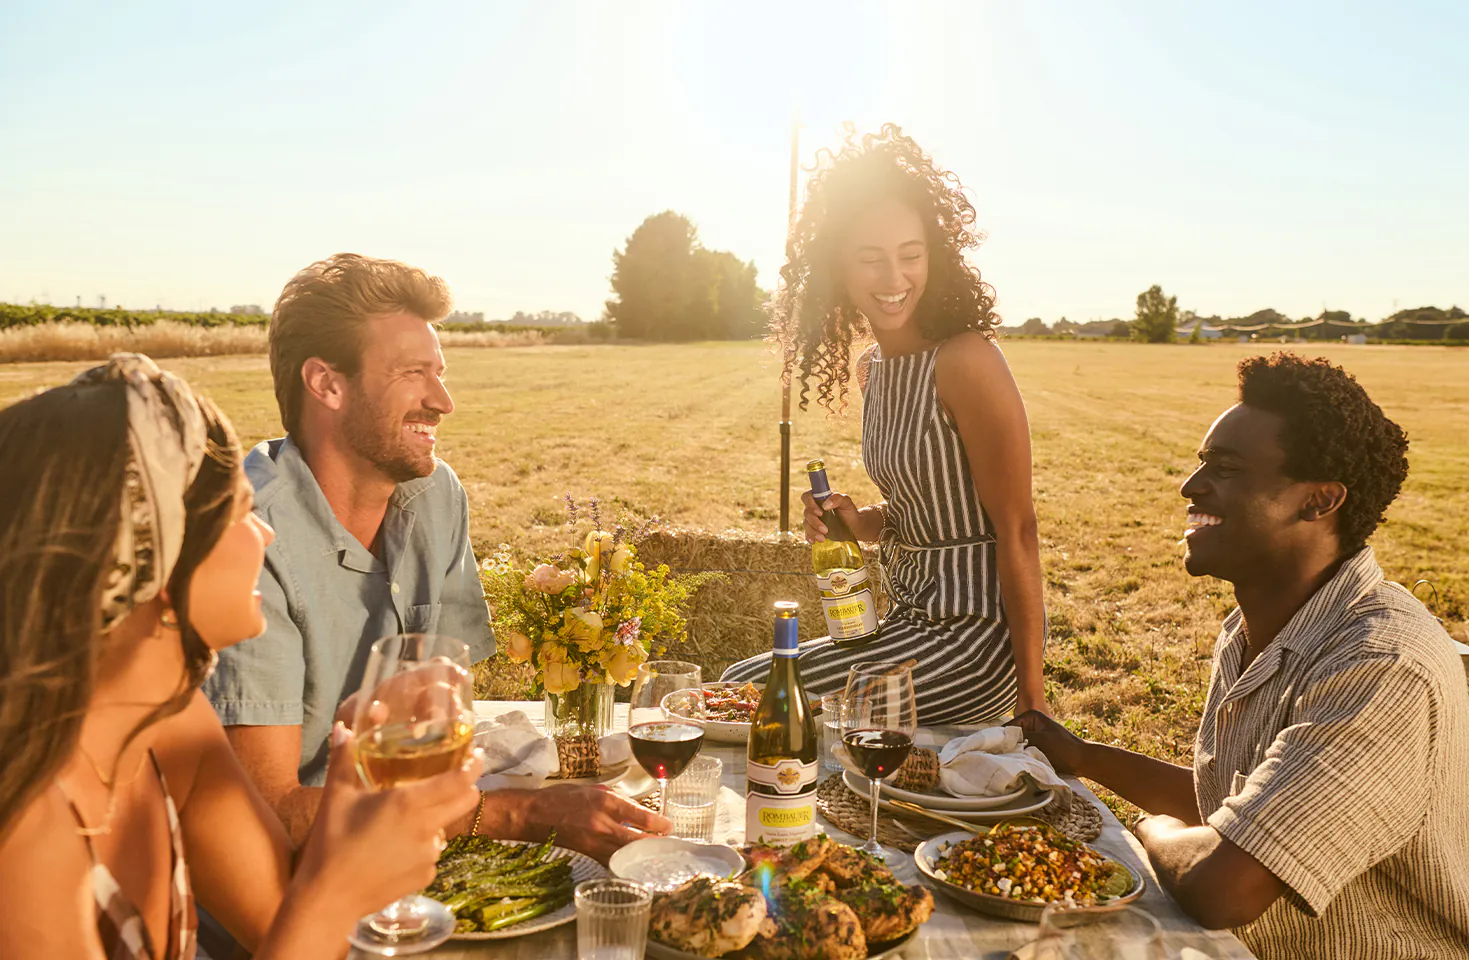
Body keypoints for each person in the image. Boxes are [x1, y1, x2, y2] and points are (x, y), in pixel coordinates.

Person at [0, 354, 481, 959]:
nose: (266, 533)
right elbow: (310, 924)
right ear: (154, 563)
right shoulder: (27, 839)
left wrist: (351, 786)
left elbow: (282, 924)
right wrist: (337, 891)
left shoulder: (173, 727)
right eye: (237, 513)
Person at [204, 253, 666, 860]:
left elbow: (446, 723)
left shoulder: (437, 495)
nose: (443, 401)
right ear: (327, 383)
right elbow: (270, 815)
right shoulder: (249, 539)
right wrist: (519, 815)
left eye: (440, 372)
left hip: (410, 844)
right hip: (291, 888)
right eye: (413, 373)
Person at [1015, 353, 1469, 958]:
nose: (1191, 486)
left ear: (1319, 501)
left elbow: (1222, 885)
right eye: (1203, 463)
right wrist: (1082, 756)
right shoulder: (1254, 625)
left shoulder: (1380, 666)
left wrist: (1147, 830)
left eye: (1225, 469)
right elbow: (1236, 806)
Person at [722, 124, 1048, 723]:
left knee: (765, 704)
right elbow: (924, 511)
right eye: (870, 259)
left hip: (973, 645)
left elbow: (1018, 528)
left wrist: (1033, 708)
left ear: (935, 256)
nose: (894, 279)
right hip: (904, 622)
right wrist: (860, 521)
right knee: (741, 684)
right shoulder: (874, 367)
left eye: (911, 256)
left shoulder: (965, 360)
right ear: (837, 267)